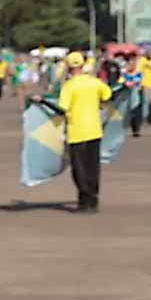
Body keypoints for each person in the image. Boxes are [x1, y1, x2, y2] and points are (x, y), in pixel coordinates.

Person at [31, 51, 112, 213]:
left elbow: (61, 109)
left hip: (76, 131)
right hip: (94, 130)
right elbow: (107, 95)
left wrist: (43, 101)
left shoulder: (69, 86)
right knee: (93, 167)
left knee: (79, 168)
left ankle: (84, 200)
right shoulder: (94, 82)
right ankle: (93, 200)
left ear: (68, 67)